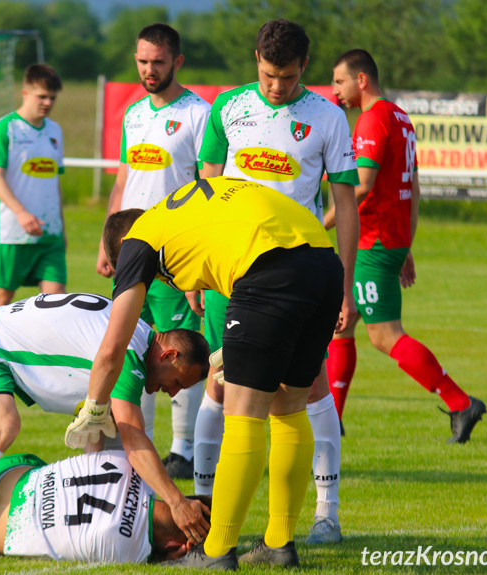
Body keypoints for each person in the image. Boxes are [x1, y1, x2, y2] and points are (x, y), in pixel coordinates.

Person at [67, 177, 345, 569]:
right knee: (289, 407)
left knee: (243, 414)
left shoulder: (137, 242)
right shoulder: (182, 215)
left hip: (268, 266)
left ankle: (215, 552)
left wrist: (95, 406)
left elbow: (112, 348)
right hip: (323, 261)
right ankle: (279, 544)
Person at [192, 19, 360, 546]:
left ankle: (325, 514)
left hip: (300, 274)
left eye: (286, 77)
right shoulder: (227, 108)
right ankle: (205, 514)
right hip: (230, 272)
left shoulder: (328, 118)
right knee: (220, 383)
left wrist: (347, 286)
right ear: (256, 63)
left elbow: (346, 206)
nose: (276, 87)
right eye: (268, 75)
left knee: (308, 389)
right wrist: (197, 263)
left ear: (303, 68)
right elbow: (207, 189)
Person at [0, 292, 211, 565]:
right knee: (3, 425)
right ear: (168, 355)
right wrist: (176, 503)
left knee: (107, 435)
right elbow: (134, 439)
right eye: (178, 382)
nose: (172, 393)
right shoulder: (129, 356)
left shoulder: (134, 333)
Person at [326, 49, 486, 443]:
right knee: (339, 329)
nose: (335, 91)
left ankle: (460, 402)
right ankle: (331, 422)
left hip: (372, 241)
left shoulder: (372, 118)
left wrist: (317, 225)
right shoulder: (401, 117)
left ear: (361, 79)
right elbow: (412, 187)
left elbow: (361, 185)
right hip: (390, 239)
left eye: (339, 82)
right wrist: (406, 245)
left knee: (384, 335)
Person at [95, 23, 212, 480]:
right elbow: (124, 180)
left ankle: (182, 450)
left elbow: (206, 187)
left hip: (174, 256)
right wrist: (107, 242)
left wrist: (199, 261)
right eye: (142, 62)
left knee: (176, 349)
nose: (148, 70)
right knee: (130, 348)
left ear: (177, 62)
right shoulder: (134, 114)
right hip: (130, 251)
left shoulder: (199, 114)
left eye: (158, 62)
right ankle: (134, 441)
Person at [0, 450, 211, 565]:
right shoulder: (130, 551)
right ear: (183, 546)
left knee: (48, 471)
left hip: (2, 471)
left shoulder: (133, 462)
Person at [0, 63, 66, 313]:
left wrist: (61, 226)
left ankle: (44, 352)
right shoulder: (4, 129)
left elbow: (55, 183)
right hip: (12, 232)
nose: (48, 102)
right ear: (25, 93)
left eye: (52, 97)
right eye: (42, 96)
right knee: (2, 296)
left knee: (57, 301)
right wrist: (21, 212)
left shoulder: (55, 131)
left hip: (50, 233)